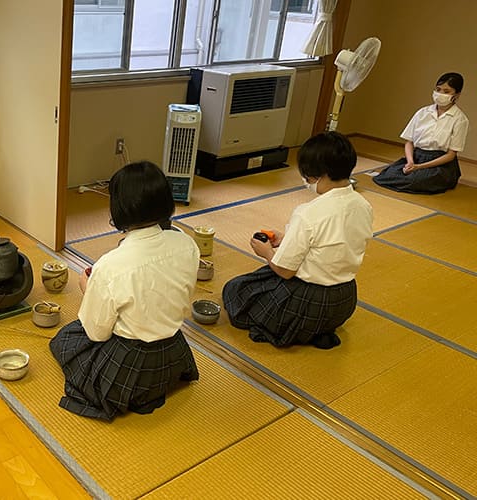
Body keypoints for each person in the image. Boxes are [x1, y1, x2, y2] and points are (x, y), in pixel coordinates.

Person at [49, 161, 200, 421]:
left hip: (130, 362)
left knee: (66, 339)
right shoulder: (187, 244)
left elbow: (97, 333)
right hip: (174, 353)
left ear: (120, 208)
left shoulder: (111, 265)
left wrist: (89, 289)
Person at [222, 132, 373, 349]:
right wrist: (287, 238)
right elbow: (332, 246)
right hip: (344, 301)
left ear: (319, 174)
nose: (306, 181)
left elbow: (285, 271)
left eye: (308, 176)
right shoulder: (362, 205)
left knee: (236, 291)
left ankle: (299, 328)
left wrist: (266, 252)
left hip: (307, 300)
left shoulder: (308, 213)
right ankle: (317, 331)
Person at [373, 72, 469, 193]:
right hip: (416, 158)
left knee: (417, 180)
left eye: (446, 91)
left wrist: (419, 167)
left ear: (457, 95)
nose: (440, 94)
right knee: (388, 173)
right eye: (438, 89)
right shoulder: (422, 112)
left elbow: (451, 155)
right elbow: (409, 142)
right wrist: (410, 162)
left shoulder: (460, 119)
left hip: (439, 164)